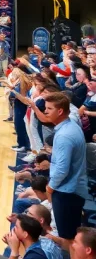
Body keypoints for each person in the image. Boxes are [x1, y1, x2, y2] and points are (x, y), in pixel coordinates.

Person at [44, 92, 88, 252]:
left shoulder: (64, 135)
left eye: (49, 108)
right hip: (73, 189)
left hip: (67, 192)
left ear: (60, 111)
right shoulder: (71, 126)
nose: (46, 111)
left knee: (68, 239)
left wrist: (50, 187)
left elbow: (62, 169)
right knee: (70, 235)